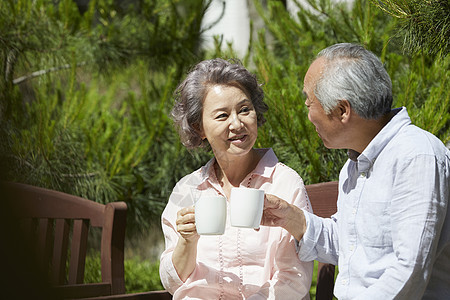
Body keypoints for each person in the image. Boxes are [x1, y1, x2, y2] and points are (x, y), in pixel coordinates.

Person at [262, 43, 450, 299]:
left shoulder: (416, 156)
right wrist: (292, 219)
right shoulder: (356, 163)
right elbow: (350, 243)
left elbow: (409, 269)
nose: (307, 115)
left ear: (342, 110)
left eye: (309, 103)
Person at [159, 58, 313, 299]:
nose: (237, 124)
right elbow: (171, 282)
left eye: (244, 110)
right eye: (222, 116)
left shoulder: (284, 183)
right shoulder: (188, 189)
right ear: (199, 127)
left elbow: (293, 279)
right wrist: (187, 243)